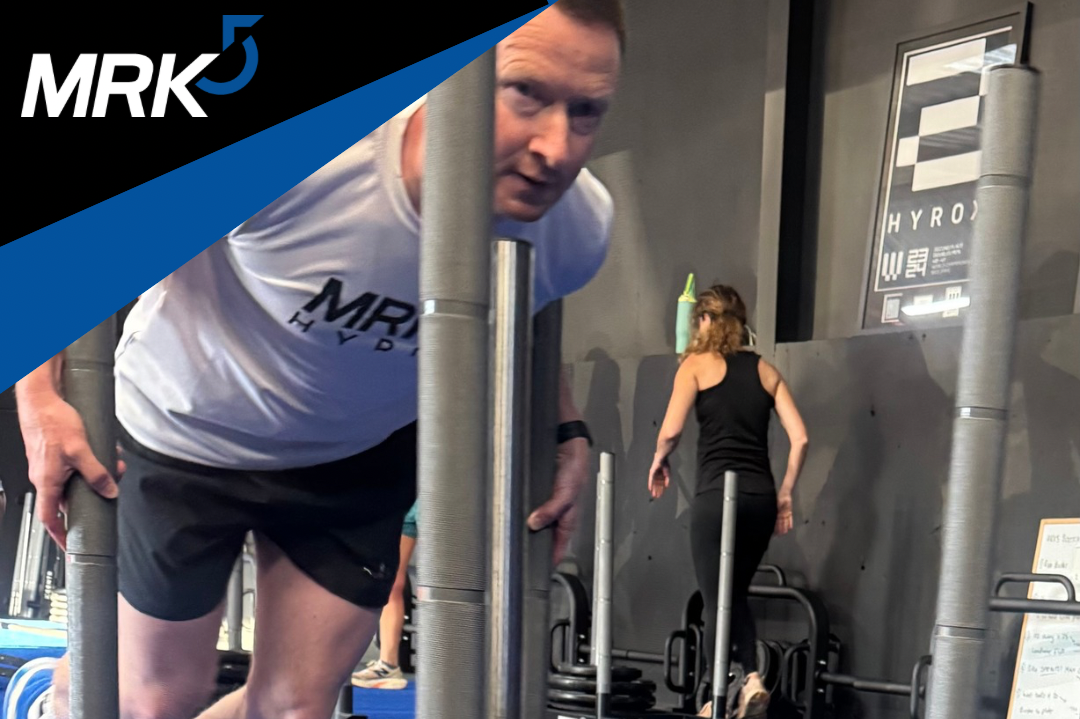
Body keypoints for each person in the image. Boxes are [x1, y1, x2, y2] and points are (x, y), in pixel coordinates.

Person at [6, 3, 626, 719]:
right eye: (525, 93)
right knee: (155, 700)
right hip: (187, 433)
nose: (557, 148)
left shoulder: (578, 226)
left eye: (586, 111)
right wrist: (39, 399)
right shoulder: (308, 155)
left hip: (355, 458)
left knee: (296, 709)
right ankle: (60, 693)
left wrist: (565, 430)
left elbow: (530, 304)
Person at [648, 285, 808, 719]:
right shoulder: (765, 371)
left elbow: (670, 431)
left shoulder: (695, 365)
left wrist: (660, 459)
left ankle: (720, 694)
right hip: (759, 499)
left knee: (717, 598)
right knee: (732, 594)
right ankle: (744, 683)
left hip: (716, 497)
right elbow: (800, 438)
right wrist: (786, 494)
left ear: (703, 320)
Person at [351, 500, 418, 689]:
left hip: (440, 495)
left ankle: (452, 666)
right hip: (409, 500)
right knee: (392, 581)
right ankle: (388, 664)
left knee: (442, 585)